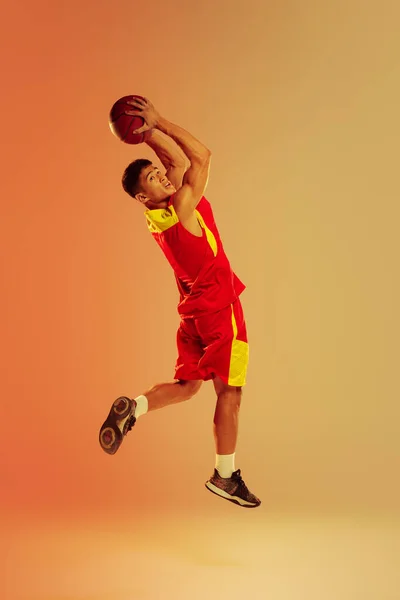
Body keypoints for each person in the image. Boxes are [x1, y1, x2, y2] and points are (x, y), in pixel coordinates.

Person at [99, 96, 261, 508]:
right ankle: (225, 477)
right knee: (230, 392)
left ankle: (134, 407)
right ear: (144, 196)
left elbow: (176, 165)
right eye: (154, 179)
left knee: (188, 387)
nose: (164, 178)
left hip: (194, 315)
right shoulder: (181, 206)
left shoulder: (156, 216)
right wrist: (160, 122)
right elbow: (201, 158)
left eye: (158, 173)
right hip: (221, 311)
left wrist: (147, 135)